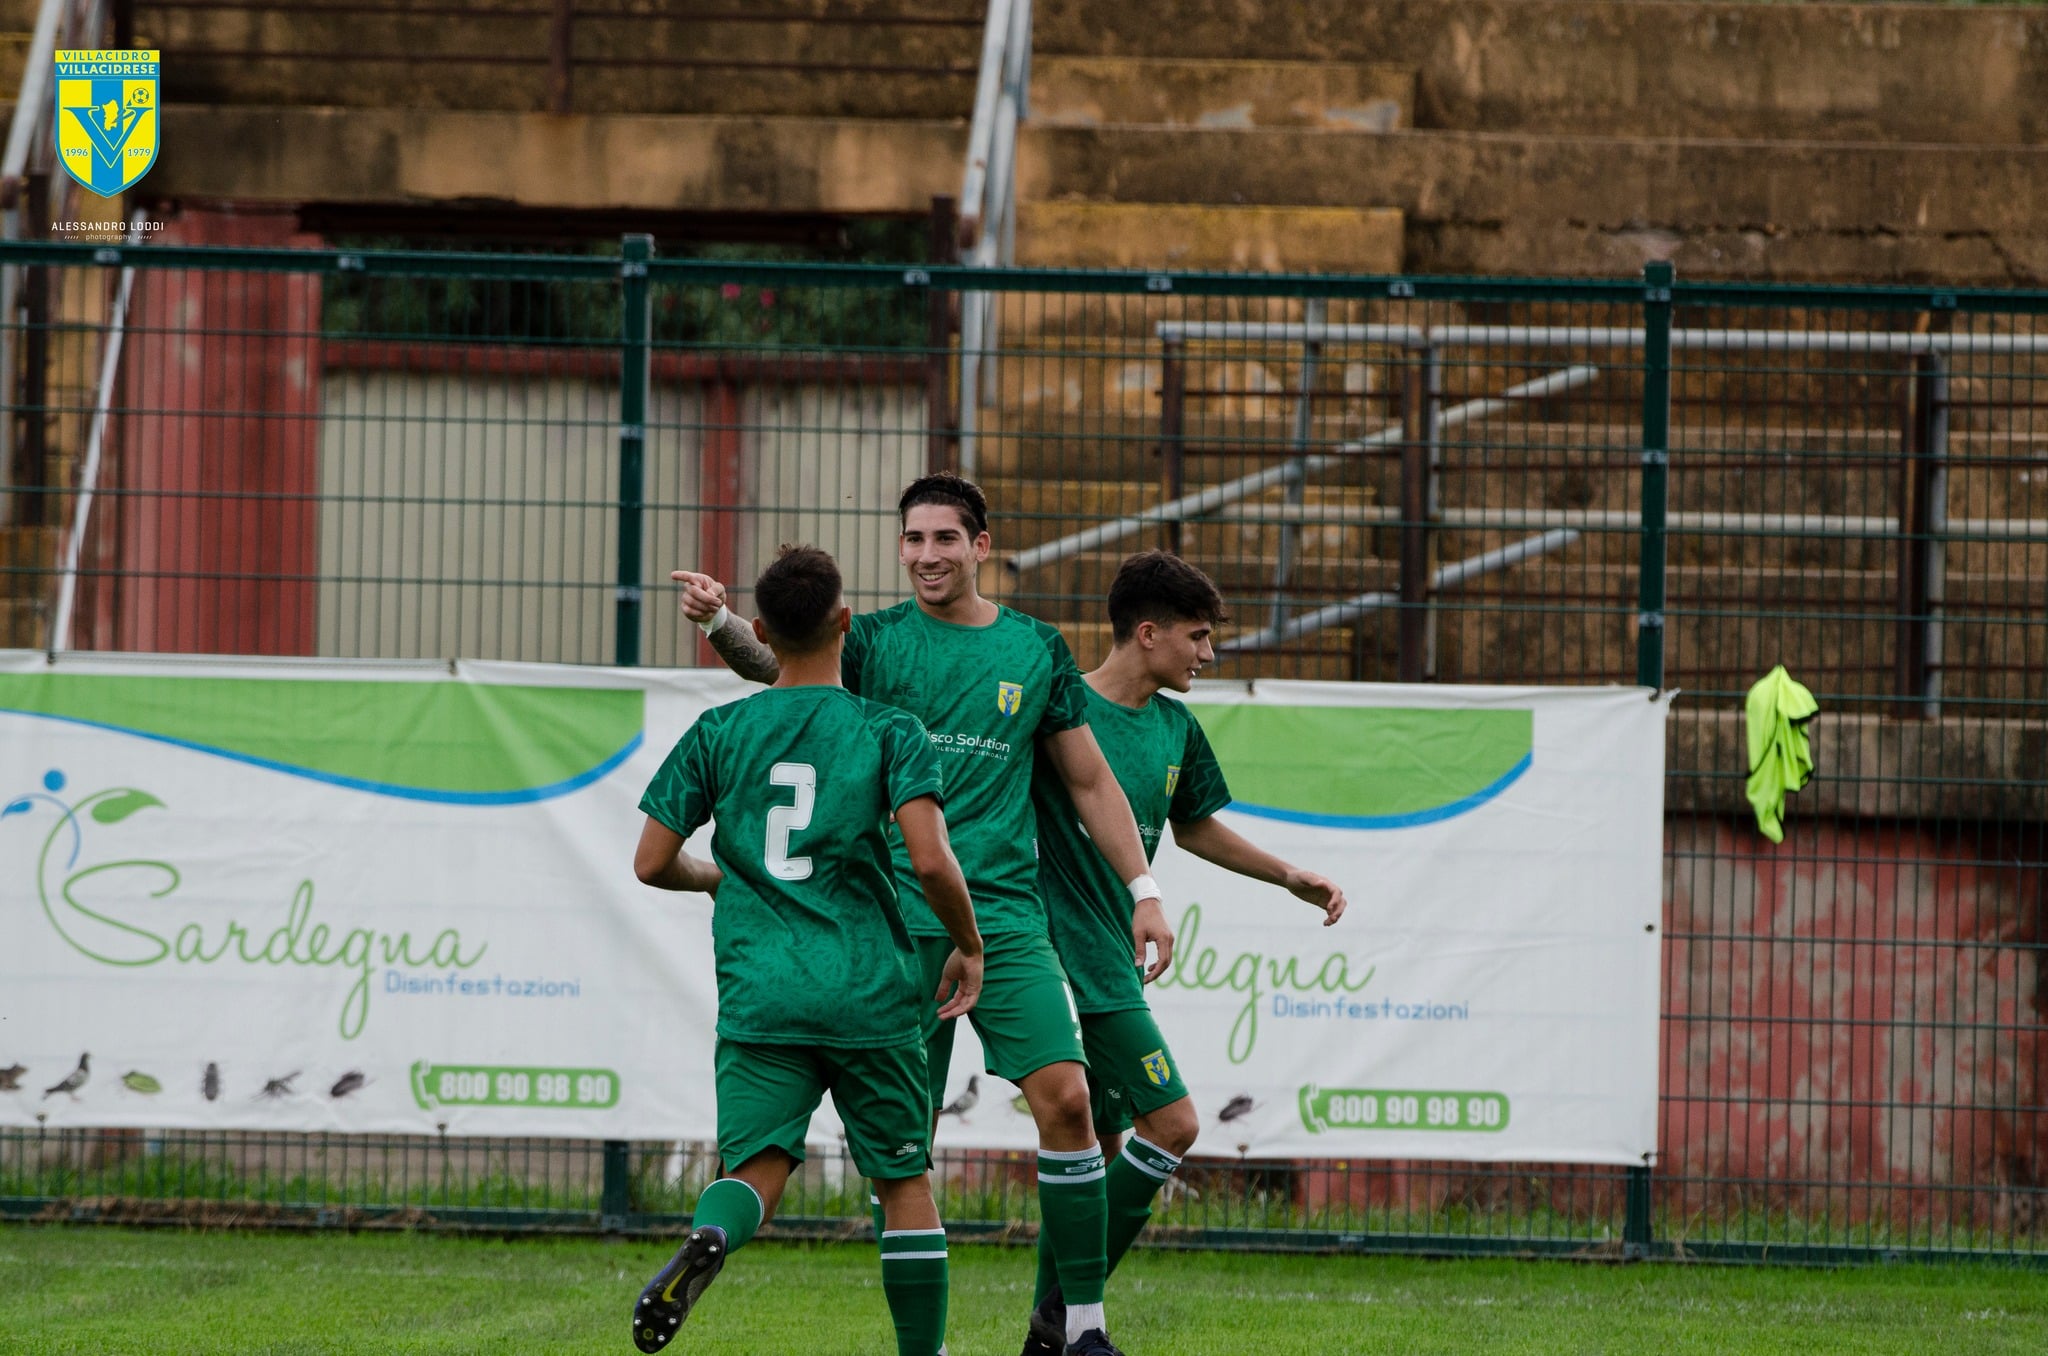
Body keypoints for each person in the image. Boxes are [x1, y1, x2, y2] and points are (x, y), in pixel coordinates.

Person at [675, 474, 1164, 1356]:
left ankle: (1079, 1328)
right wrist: (720, 625)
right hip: (890, 925)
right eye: (913, 540)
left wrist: (1144, 891)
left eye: (945, 539)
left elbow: (1090, 779)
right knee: (905, 1149)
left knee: (1069, 1098)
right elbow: (782, 667)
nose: (927, 555)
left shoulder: (1034, 648)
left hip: (1005, 920)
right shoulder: (873, 641)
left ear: (981, 546)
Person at [630, 544, 984, 1356]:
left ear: (759, 630)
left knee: (756, 1170)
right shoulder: (891, 728)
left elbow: (650, 862)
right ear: (846, 623)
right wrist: (967, 943)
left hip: (763, 991)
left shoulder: (719, 730)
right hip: (869, 991)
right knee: (901, 1182)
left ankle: (713, 1235)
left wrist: (717, 879)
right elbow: (929, 859)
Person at [1017, 550, 1349, 1356]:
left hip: (1111, 961)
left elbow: (1194, 824)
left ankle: (1048, 1330)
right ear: (1148, 632)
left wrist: (1285, 875)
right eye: (1198, 638)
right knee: (1173, 1122)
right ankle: (1066, 1318)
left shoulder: (1175, 728)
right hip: (1057, 960)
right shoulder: (1055, 712)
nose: (1209, 654)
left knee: (1091, 1155)